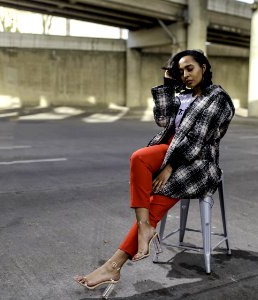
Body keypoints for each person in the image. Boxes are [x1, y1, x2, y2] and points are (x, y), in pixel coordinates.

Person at [74, 49, 235, 297]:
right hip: (169, 150)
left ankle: (112, 266)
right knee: (139, 157)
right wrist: (168, 86)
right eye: (181, 71)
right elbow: (162, 121)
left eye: (190, 68)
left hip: (197, 162)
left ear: (204, 66)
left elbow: (198, 140)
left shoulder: (218, 99)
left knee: (158, 197)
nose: (185, 74)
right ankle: (145, 227)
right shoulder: (185, 95)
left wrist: (169, 168)